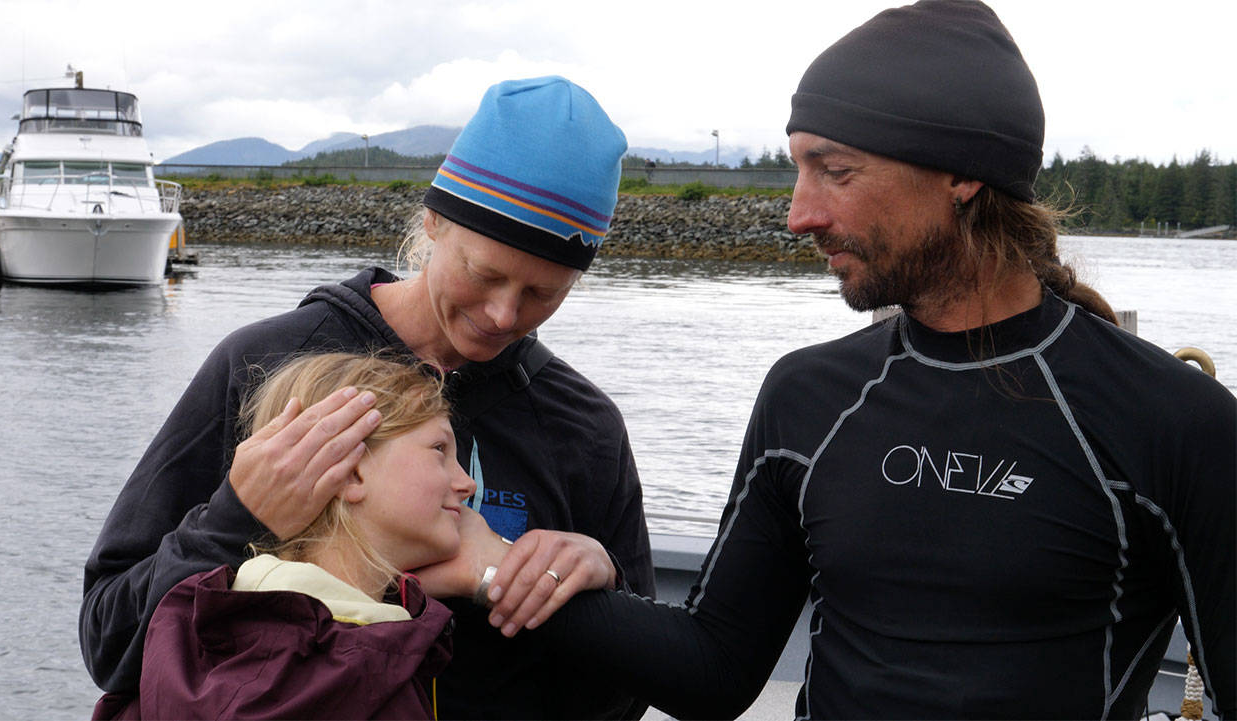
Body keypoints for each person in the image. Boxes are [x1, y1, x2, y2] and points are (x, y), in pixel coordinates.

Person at [507, 2, 1232, 719]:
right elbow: (715, 666)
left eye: (835, 171)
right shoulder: (808, 395)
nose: (799, 214)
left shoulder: (1172, 422)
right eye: (799, 170)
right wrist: (501, 574)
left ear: (962, 173)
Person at [80, 76, 654, 720]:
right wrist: (232, 519)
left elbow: (626, 698)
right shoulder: (266, 366)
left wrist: (602, 584)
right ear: (434, 219)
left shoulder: (583, 427)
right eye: (484, 274)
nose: (501, 314)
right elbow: (110, 641)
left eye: (542, 294)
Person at [94, 353, 481, 719]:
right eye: (439, 449)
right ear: (351, 472)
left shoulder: (207, 629)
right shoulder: (349, 661)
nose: (466, 484)